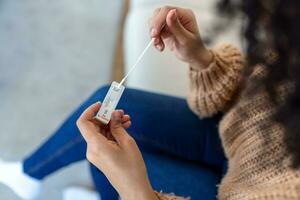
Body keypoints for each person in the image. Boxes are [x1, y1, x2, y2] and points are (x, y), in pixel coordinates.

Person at [1, 0, 300, 200]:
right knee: (106, 109)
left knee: (105, 164)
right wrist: (201, 59)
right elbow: (261, 87)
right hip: (240, 140)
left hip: (240, 187)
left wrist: (136, 191)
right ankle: (28, 175)